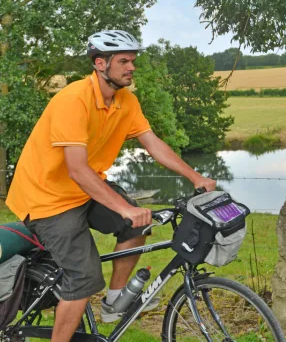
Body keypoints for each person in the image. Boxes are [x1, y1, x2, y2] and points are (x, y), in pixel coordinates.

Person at [6, 30, 216, 342]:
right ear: (100, 64)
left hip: (84, 191)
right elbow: (77, 169)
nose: (131, 67)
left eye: (133, 61)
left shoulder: (126, 101)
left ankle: (114, 300)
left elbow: (153, 144)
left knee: (137, 226)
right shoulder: (73, 100)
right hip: (46, 199)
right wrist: (123, 207)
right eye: (124, 61)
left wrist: (195, 177)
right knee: (84, 278)